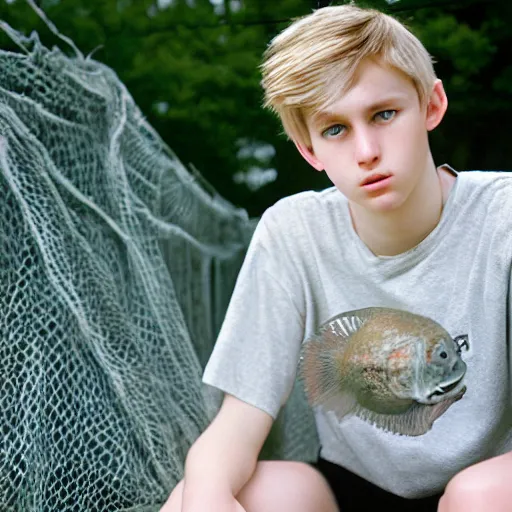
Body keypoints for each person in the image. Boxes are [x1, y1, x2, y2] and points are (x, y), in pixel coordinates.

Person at [161, 4, 512, 512]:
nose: (367, 149)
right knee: (193, 498)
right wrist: (210, 496)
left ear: (431, 105)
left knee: (475, 498)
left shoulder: (502, 217)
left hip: (488, 482)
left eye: (384, 114)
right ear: (309, 151)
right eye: (335, 130)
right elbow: (237, 424)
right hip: (348, 487)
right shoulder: (293, 231)